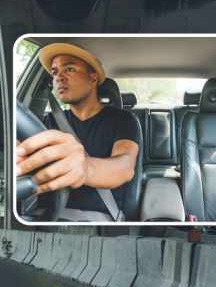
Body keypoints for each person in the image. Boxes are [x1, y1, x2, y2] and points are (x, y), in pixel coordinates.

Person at [16, 43, 140, 219]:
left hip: (97, 218)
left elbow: (125, 166)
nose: (59, 77)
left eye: (69, 69)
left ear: (93, 79)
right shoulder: (42, 124)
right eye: (54, 72)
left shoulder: (122, 119)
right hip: (44, 216)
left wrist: (84, 168)